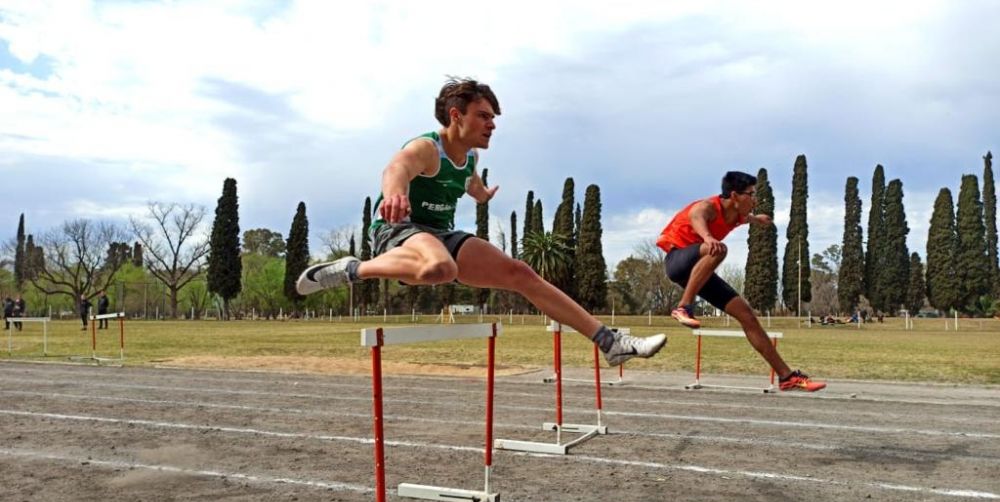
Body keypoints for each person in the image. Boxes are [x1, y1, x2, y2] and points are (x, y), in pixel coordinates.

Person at [296, 78, 666, 366]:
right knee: (440, 264)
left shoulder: (469, 157)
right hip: (398, 230)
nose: (492, 124)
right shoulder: (428, 148)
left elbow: (468, 182)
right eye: (483, 116)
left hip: (439, 233)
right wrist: (394, 193)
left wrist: (481, 194)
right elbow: (397, 167)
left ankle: (609, 342)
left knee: (520, 273)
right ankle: (353, 269)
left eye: (493, 118)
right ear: (456, 116)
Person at [656, 171, 825, 392]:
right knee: (718, 249)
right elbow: (696, 216)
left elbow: (746, 218)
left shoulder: (736, 215)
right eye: (751, 194)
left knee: (746, 315)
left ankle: (787, 377)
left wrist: (758, 220)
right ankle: (683, 307)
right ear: (734, 196)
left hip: (699, 271)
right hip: (678, 260)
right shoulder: (709, 206)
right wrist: (707, 237)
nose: (755, 199)